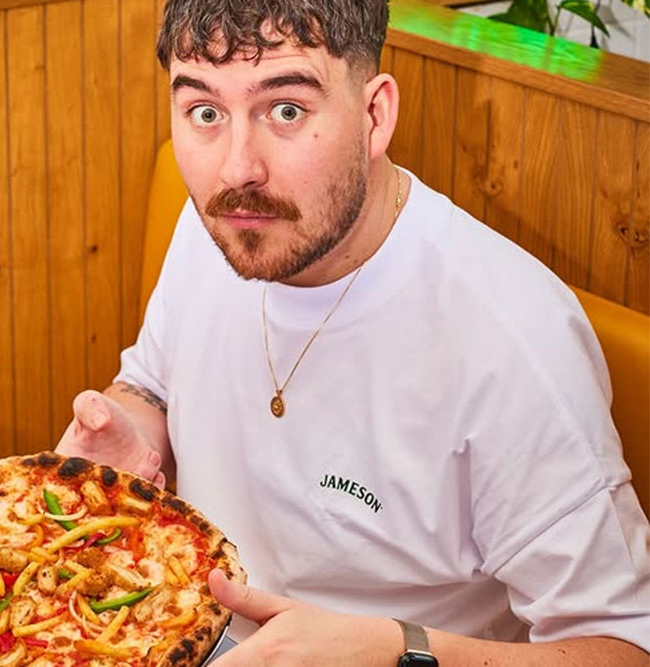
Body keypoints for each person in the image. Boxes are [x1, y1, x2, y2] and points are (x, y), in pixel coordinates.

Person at [55, 0, 650, 664]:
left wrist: (398, 651)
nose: (235, 169)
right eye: (205, 113)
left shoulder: (511, 336)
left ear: (375, 115)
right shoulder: (218, 227)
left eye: (285, 110)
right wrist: (132, 431)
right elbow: (153, 383)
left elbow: (626, 647)